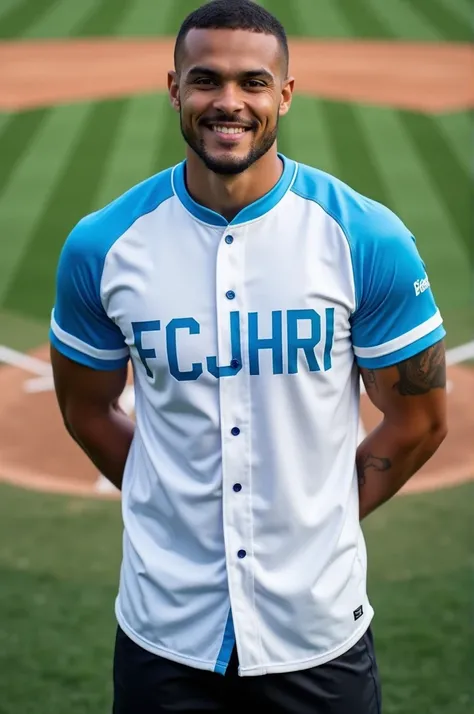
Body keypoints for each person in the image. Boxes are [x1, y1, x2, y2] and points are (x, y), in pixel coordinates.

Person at [49, 0, 448, 711]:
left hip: (318, 634)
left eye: (253, 82)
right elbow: (85, 410)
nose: (227, 102)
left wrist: (316, 522)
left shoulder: (365, 239)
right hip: (163, 636)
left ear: (285, 95)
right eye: (205, 80)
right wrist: (168, 509)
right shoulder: (102, 246)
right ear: (174, 88)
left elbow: (420, 420)